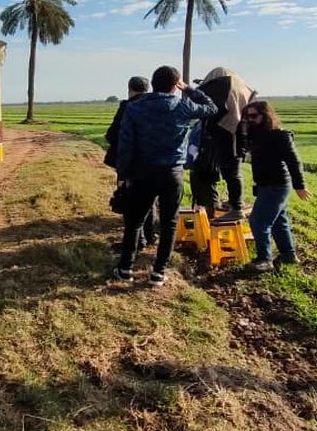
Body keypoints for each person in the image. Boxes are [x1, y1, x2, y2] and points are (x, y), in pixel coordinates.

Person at [114, 66, 217, 284]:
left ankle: (125, 269)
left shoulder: (135, 107)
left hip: (142, 172)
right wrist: (188, 89)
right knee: (169, 223)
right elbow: (211, 107)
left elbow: (125, 144)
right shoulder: (183, 105)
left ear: (152, 83)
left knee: (135, 223)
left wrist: (123, 173)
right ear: (175, 85)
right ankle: (158, 272)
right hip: (172, 173)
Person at [241, 100, 311, 273]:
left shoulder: (280, 135)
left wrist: (299, 185)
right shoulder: (254, 134)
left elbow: (294, 161)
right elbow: (241, 147)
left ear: (266, 116)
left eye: (253, 116)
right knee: (279, 221)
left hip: (277, 185)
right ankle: (288, 255)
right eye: (246, 117)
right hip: (265, 184)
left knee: (258, 221)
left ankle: (264, 259)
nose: (250, 120)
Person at [191, 67, 256, 224]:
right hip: (240, 131)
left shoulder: (221, 85)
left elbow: (205, 106)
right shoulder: (241, 86)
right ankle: (234, 203)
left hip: (227, 131)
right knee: (232, 169)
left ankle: (237, 208)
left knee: (231, 171)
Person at [104, 75, 156, 249]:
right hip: (154, 161)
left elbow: (113, 134)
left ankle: (137, 241)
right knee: (149, 198)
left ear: (129, 89)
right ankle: (150, 235)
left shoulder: (128, 106)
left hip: (130, 161)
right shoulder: (156, 106)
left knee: (130, 201)